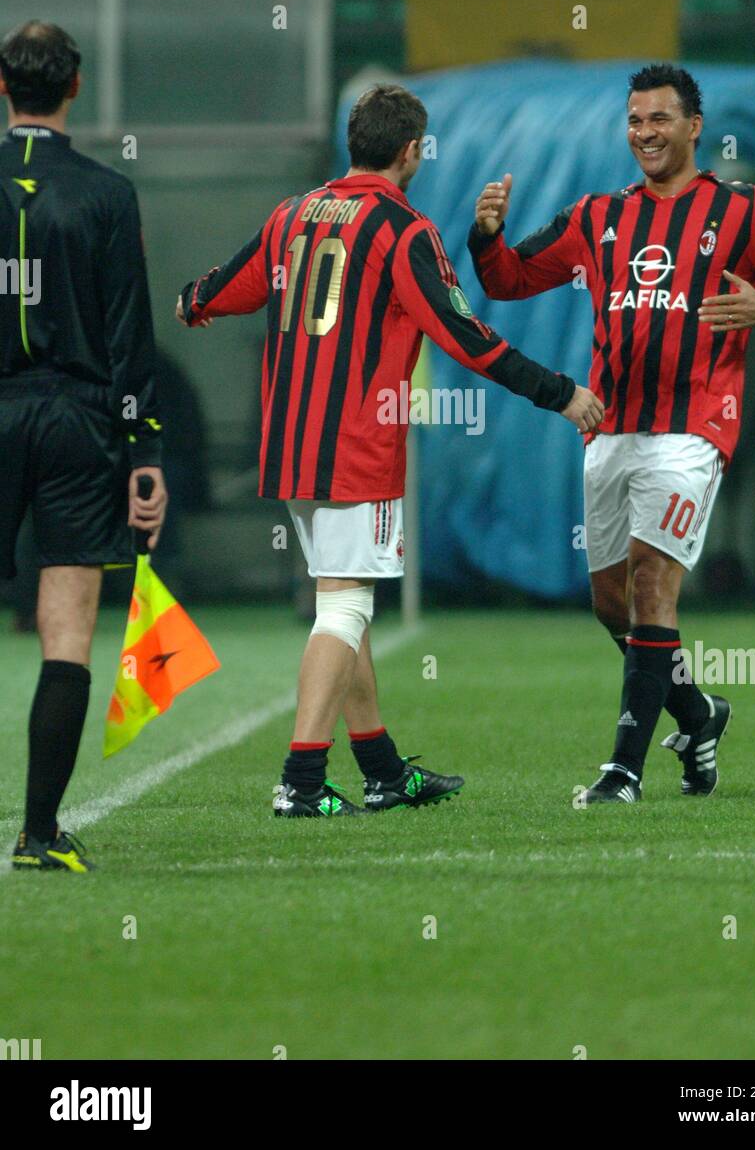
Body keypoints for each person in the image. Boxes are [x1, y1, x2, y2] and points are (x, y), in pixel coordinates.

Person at [177, 84, 601, 818]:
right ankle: (301, 781)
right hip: (356, 446)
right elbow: (466, 339)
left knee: (343, 600)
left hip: (290, 447)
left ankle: (378, 769)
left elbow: (226, 290)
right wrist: (559, 392)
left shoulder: (292, 214)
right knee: (344, 608)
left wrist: (192, 300)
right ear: (412, 151)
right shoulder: (404, 231)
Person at [470, 63, 755, 804]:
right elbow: (507, 280)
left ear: (693, 127)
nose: (644, 134)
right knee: (609, 600)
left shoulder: (744, 211)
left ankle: (621, 772)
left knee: (650, 584)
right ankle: (696, 714)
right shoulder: (596, 214)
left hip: (692, 427)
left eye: (658, 119)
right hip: (610, 427)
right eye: (634, 121)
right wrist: (483, 235)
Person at [0, 22, 167, 871]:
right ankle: (37, 834)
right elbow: (129, 336)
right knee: (65, 632)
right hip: (77, 418)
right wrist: (146, 454)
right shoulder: (108, 194)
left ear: (1, 87)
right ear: (76, 86)